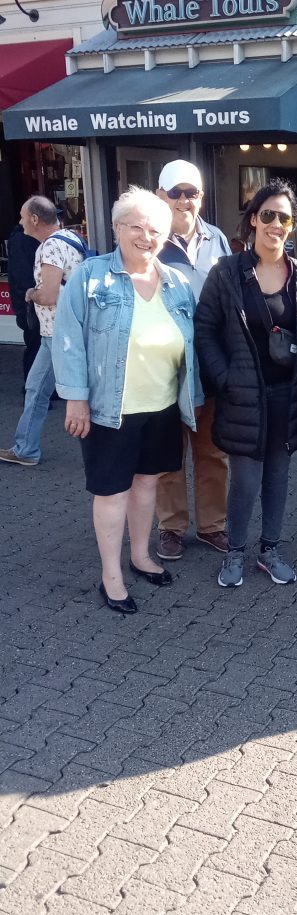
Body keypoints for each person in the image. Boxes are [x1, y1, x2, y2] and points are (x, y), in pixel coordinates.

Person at [52, 187, 200, 615]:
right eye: (135, 226)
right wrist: (75, 400)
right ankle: (111, 575)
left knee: (147, 483)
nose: (145, 236)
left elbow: (189, 346)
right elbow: (67, 341)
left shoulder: (176, 284)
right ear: (116, 228)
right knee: (112, 492)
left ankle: (140, 555)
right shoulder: (91, 276)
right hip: (108, 409)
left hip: (162, 406)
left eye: (155, 229)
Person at [194, 178, 297, 590]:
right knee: (246, 480)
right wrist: (224, 379)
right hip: (243, 398)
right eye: (267, 215)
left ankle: (269, 550)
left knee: (278, 477)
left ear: (293, 226)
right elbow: (205, 329)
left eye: (284, 217)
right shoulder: (227, 273)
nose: (276, 223)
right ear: (253, 219)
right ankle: (235, 551)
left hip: (288, 397)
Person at [154, 160, 231, 561]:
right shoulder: (149, 240)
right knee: (169, 454)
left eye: (192, 193)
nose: (184, 200)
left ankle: (212, 526)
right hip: (165, 368)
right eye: (176, 193)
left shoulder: (217, 239)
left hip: (210, 366)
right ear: (160, 196)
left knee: (213, 452)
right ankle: (170, 527)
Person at [0, 197, 85, 467]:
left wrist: (29, 293)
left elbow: (48, 296)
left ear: (35, 219)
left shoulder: (49, 248)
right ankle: (26, 447)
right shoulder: (72, 238)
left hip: (56, 333)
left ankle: (26, 449)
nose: (20, 221)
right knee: (40, 389)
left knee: (37, 391)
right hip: (70, 329)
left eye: (23, 216)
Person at [7, 222, 41, 383]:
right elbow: (24, 277)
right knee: (36, 347)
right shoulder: (22, 241)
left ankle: (39, 389)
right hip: (29, 304)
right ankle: (32, 389)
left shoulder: (22, 239)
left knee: (38, 347)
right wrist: (34, 294)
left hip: (29, 302)